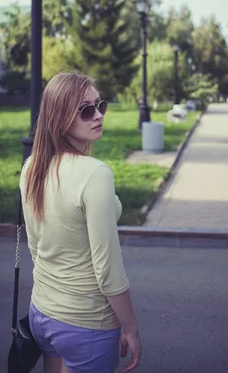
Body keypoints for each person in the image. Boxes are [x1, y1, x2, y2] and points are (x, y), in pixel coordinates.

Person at [20, 71, 142, 373]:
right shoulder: (95, 174)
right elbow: (108, 270)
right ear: (60, 117)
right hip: (86, 323)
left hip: (42, 312)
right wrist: (131, 327)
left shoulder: (31, 167)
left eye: (101, 105)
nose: (98, 115)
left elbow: (36, 247)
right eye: (86, 110)